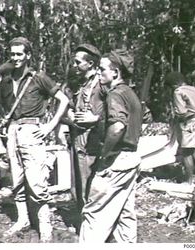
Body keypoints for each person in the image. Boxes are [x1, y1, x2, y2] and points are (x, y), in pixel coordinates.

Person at [0, 37, 69, 242]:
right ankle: (23, 219)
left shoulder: (39, 78)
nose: (15, 58)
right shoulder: (6, 80)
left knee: (37, 181)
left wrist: (49, 126)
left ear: (28, 55)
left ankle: (45, 227)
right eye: (12, 54)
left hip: (32, 130)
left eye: (20, 54)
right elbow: (4, 107)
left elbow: (63, 100)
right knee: (17, 178)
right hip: (13, 131)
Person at [79, 50, 142, 243]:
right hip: (131, 159)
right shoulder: (129, 93)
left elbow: (117, 127)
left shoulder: (114, 94)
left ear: (115, 72)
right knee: (125, 214)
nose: (98, 72)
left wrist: (104, 155)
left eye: (102, 69)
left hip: (116, 159)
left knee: (94, 213)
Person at [65, 44, 104, 211]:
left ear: (90, 64)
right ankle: (82, 217)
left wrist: (96, 118)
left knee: (90, 182)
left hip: (93, 140)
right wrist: (70, 115)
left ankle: (91, 219)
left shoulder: (101, 84)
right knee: (78, 182)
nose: (74, 66)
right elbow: (67, 106)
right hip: (77, 137)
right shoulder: (79, 84)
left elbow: (117, 112)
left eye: (78, 62)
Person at [166, 72, 195, 184]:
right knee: (192, 150)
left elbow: (181, 112)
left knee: (186, 153)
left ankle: (189, 181)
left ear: (173, 84)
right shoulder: (194, 89)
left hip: (192, 122)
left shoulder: (178, 91)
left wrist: (175, 122)